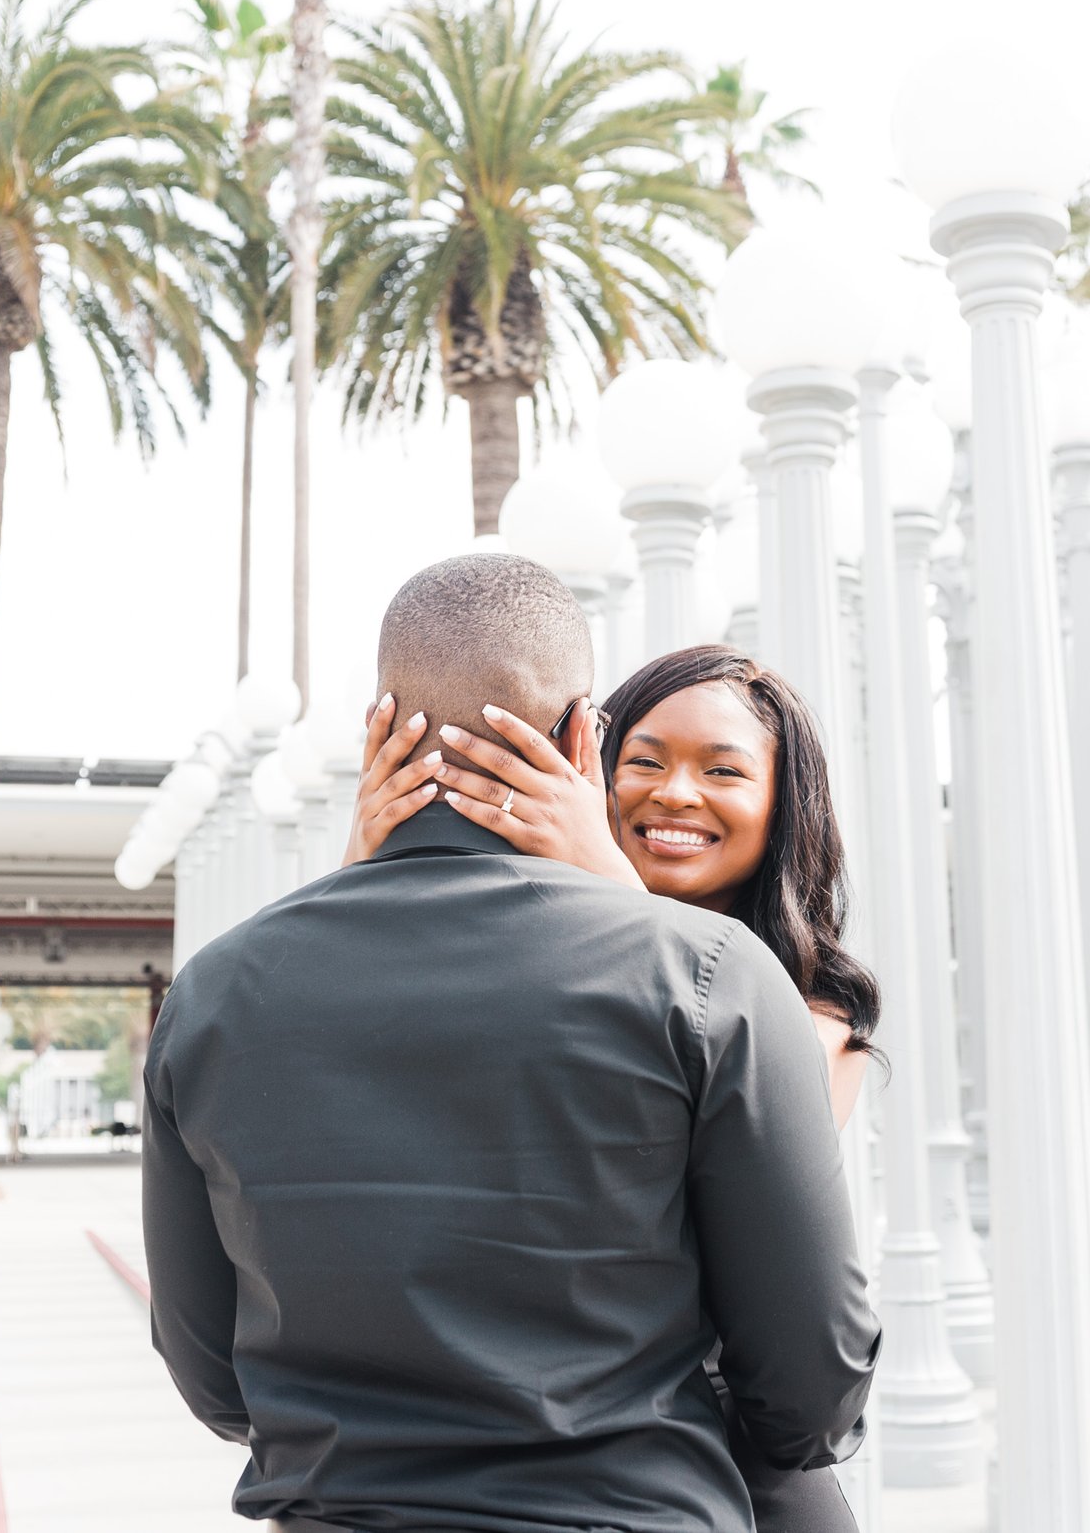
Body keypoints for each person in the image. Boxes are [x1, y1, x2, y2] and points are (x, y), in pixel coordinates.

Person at [143, 555, 877, 1533]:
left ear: (378, 730)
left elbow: (212, 1374)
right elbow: (811, 1385)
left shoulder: (216, 991)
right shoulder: (709, 978)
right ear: (586, 734)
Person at [345, 643, 882, 1529]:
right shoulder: (526, 963)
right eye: (643, 761)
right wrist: (371, 874)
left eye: (723, 770)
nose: (674, 793)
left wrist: (612, 886)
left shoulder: (810, 1017)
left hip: (732, 1467)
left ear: (781, 807)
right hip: (516, 1448)